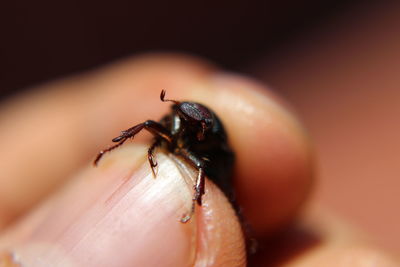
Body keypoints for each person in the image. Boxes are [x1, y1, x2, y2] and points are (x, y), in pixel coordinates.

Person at [0, 54, 397, 266]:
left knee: (206, 171)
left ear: (201, 129)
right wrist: (118, 146)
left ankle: (203, 204)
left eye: (189, 123)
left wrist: (195, 198)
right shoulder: (173, 122)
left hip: (214, 169)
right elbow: (154, 123)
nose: (180, 124)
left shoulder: (206, 142)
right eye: (180, 119)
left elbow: (212, 160)